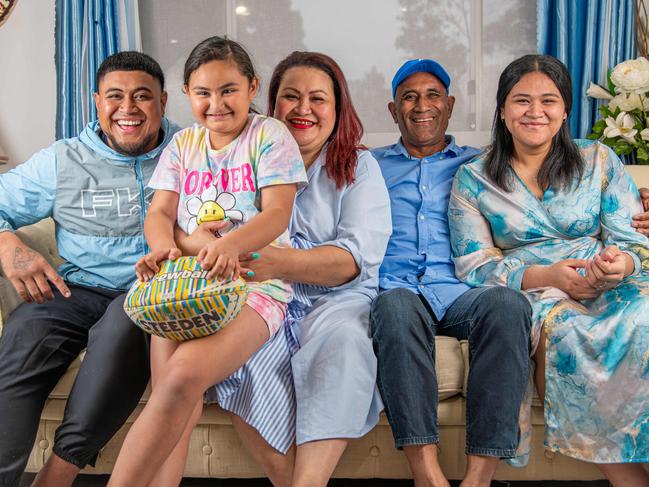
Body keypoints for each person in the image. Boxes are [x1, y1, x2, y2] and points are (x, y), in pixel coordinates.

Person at [175, 51, 392, 487]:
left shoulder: (359, 167)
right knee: (241, 357)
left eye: (318, 98)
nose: (303, 109)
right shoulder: (241, 154)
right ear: (271, 105)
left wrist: (275, 262)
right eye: (291, 97)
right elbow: (187, 224)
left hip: (334, 298)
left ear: (338, 107)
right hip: (259, 297)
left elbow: (353, 259)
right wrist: (203, 243)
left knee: (346, 343)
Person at [107, 36, 307, 487]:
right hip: (182, 289)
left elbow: (278, 212)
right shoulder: (182, 146)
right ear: (186, 94)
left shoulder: (269, 135)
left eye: (228, 90)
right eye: (203, 93)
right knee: (173, 401)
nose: (216, 103)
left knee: (180, 380)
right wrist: (164, 248)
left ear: (252, 86)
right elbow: (159, 212)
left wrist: (230, 247)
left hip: (252, 286)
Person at [448, 54, 649, 487]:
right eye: (521, 100)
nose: (535, 111)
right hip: (537, 293)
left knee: (644, 319)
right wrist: (550, 277)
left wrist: (620, 264)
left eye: (549, 101)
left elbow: (631, 238)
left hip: (612, 279)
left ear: (565, 110)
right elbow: (474, 265)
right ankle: (629, 479)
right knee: (569, 333)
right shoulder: (472, 178)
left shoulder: (600, 160)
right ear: (502, 109)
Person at [0, 51, 177, 487]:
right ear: (96, 102)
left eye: (143, 97)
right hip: (74, 291)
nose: (128, 108)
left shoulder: (191, 150)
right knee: (24, 333)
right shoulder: (62, 160)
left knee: (125, 322)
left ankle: (58, 474)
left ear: (164, 101)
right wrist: (7, 244)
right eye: (115, 96)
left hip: (148, 294)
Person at [369, 59, 534, 487]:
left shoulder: (484, 164)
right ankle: (426, 473)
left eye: (432, 95)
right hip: (398, 287)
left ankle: (479, 476)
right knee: (394, 308)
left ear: (450, 105)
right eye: (409, 96)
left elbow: (556, 168)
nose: (421, 105)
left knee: (508, 303)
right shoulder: (367, 166)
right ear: (393, 110)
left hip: (463, 289)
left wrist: (635, 198)